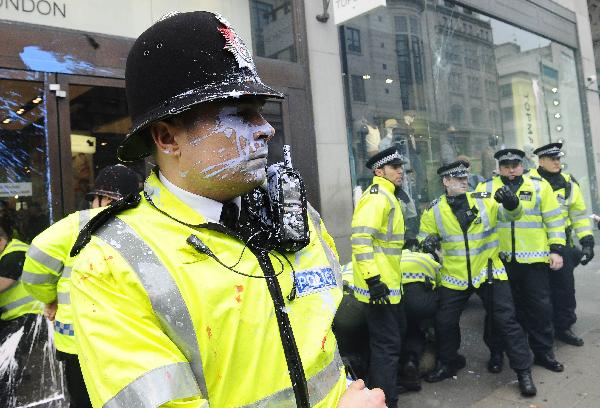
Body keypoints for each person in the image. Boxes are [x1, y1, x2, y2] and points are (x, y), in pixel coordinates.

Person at [67, 11, 385, 408]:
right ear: (166, 137)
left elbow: (322, 340)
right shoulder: (112, 267)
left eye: (261, 112)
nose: (265, 129)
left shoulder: (292, 214)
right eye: (239, 114)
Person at [22, 164, 140, 408]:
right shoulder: (146, 226)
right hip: (130, 339)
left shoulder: (77, 224)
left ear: (102, 198)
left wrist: (48, 298)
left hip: (78, 341)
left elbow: (36, 263)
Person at [419, 160, 536, 397]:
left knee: (506, 320)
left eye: (465, 177)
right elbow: (424, 237)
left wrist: (512, 203)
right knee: (444, 322)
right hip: (455, 275)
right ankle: (447, 362)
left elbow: (509, 215)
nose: (464, 181)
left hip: (488, 269)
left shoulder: (483, 199)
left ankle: (523, 371)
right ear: (445, 181)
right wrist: (427, 243)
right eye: (457, 178)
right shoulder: (433, 210)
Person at [477, 148, 566, 373]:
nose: (511, 170)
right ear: (498, 167)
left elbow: (554, 219)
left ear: (522, 164)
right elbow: (479, 221)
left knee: (539, 309)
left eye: (515, 165)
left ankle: (543, 352)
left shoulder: (538, 185)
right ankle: (497, 353)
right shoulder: (484, 188)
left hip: (534, 260)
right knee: (498, 312)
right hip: (500, 261)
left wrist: (556, 250)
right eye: (506, 165)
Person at [351, 146, 406, 406]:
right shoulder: (378, 196)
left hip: (386, 285)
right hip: (379, 287)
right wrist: (374, 280)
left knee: (385, 344)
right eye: (395, 167)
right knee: (387, 347)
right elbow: (361, 239)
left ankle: (381, 393)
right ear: (379, 171)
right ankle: (386, 401)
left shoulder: (387, 195)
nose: (401, 171)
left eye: (401, 167)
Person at [528, 142, 594, 346]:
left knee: (565, 289)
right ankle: (540, 331)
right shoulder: (528, 181)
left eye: (558, 159)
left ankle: (564, 327)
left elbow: (579, 215)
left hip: (562, 243)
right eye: (552, 159)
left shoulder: (568, 182)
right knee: (538, 293)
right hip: (535, 245)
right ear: (541, 161)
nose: (557, 162)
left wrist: (586, 240)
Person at [0, 216, 61, 407]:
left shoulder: (14, 256)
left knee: (9, 369)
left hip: (31, 321)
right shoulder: (8, 251)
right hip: (20, 321)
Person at [396, 249, 440, 392]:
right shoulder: (428, 259)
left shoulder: (398, 256)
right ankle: (413, 360)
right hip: (421, 299)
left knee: (405, 329)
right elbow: (439, 285)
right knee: (417, 327)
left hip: (398, 298)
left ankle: (406, 362)